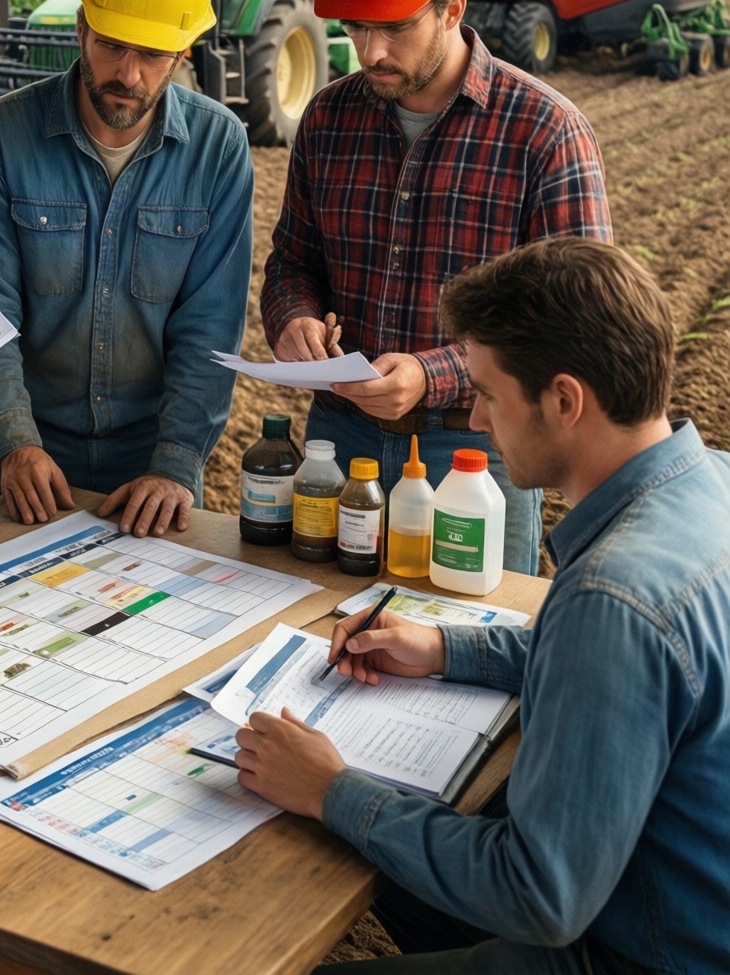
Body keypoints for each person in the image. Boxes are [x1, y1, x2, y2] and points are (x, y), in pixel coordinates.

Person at [237, 237, 730, 974]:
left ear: (565, 400)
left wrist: (334, 790)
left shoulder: (613, 597)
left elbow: (539, 896)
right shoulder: (707, 481)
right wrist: (446, 649)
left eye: (489, 394)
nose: (474, 421)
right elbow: (626, 671)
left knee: (351, 834)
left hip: (631, 949)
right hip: (665, 904)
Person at [261, 0, 611, 574]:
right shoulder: (329, 120)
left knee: (470, 646)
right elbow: (291, 261)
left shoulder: (544, 132)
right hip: (341, 443)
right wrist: (293, 318)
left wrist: (434, 374)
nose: (370, 52)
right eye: (357, 27)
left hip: (477, 451)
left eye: (394, 27)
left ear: (454, 7)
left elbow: (583, 329)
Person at [0, 0, 254, 538]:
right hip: (27, 458)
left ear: (183, 54)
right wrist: (13, 442)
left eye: (152, 55)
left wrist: (175, 463)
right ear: (82, 28)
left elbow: (210, 326)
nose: (129, 74)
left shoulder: (219, 146)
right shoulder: (0, 136)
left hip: (151, 464)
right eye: (113, 44)